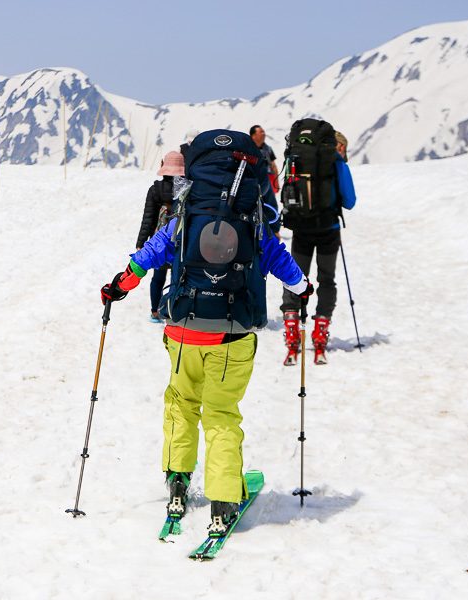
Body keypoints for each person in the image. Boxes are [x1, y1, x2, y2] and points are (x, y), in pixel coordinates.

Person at [101, 130, 313, 536]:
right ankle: (222, 502)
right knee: (221, 416)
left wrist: (117, 287)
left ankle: (177, 485)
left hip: (182, 331)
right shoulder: (252, 216)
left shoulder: (185, 213)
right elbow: (280, 262)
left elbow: (147, 257)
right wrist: (304, 289)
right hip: (232, 338)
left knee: (181, 405)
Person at [280, 129, 356, 365]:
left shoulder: (297, 159)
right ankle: (320, 333)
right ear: (338, 146)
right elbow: (350, 201)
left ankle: (292, 329)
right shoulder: (337, 163)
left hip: (301, 228)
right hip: (328, 231)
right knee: (326, 279)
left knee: (295, 277)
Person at [135, 150, 184, 322]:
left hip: (160, 242)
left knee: (158, 278)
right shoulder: (187, 191)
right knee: (177, 277)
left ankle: (155, 311)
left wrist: (141, 242)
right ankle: (173, 310)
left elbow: (148, 219)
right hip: (181, 241)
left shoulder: (155, 190)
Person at [249, 125, 280, 193]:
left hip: (269, 179)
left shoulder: (268, 149)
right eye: (261, 132)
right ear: (253, 136)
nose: (264, 134)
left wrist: (276, 182)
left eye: (264, 132)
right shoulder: (248, 149)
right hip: (253, 179)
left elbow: (273, 166)